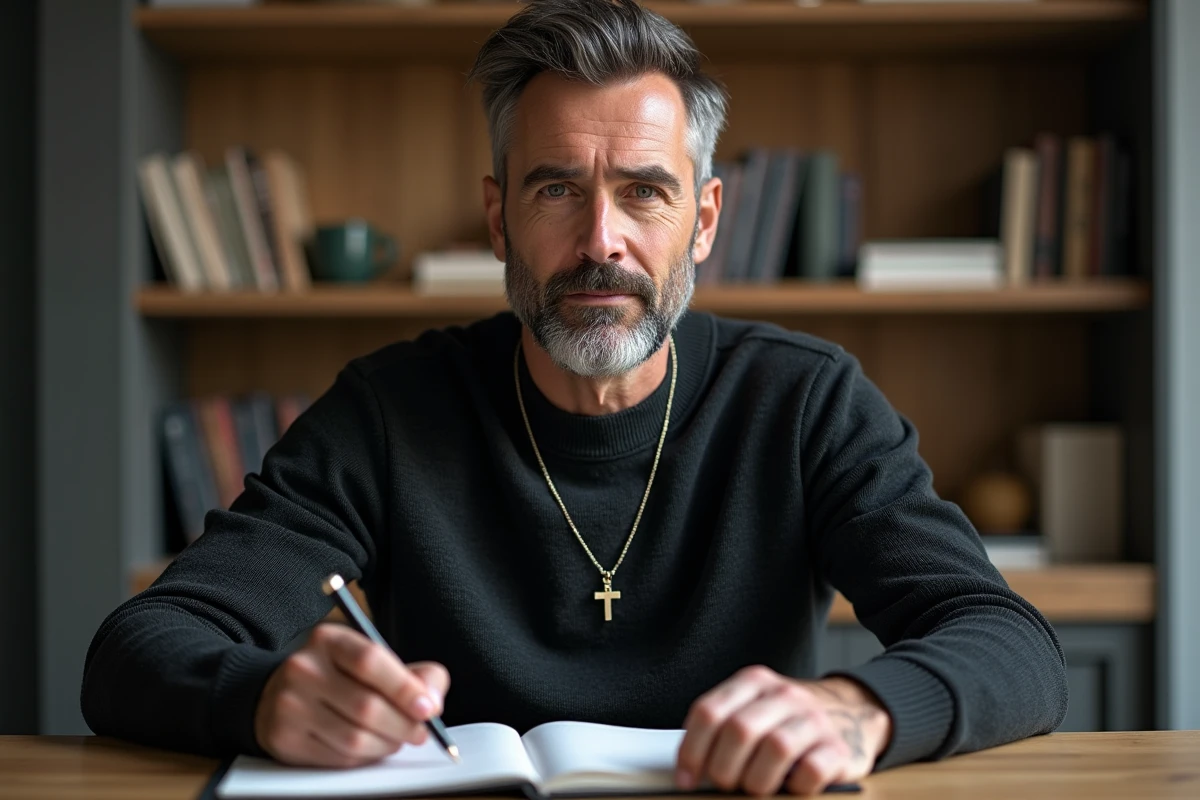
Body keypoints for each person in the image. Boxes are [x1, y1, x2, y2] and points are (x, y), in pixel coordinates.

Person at [81, 0, 1067, 794]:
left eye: (644, 190)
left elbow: (1010, 643)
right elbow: (137, 648)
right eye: (557, 189)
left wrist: (860, 708)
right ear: (499, 215)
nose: (603, 240)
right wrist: (262, 697)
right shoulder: (388, 408)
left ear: (705, 218)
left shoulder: (804, 400)